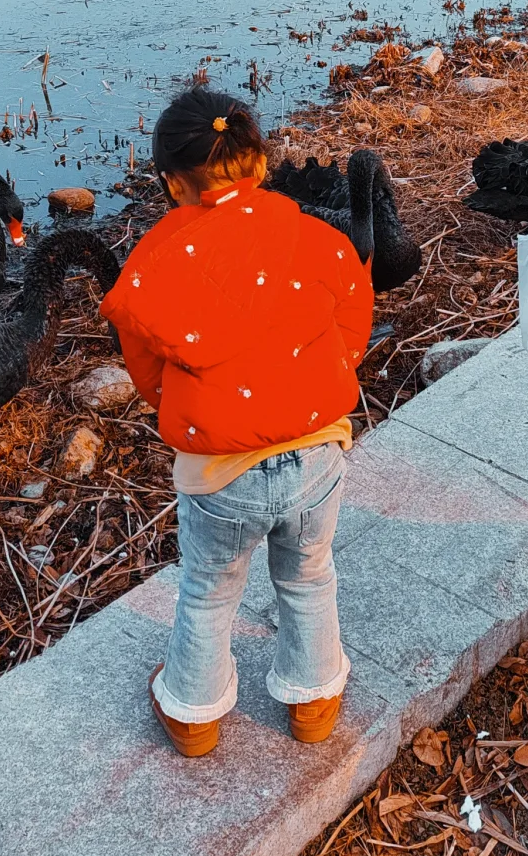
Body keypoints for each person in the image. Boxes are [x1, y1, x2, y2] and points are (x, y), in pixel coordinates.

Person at [100, 88, 372, 755]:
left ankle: (193, 715)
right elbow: (352, 329)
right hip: (315, 456)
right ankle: (314, 702)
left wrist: (194, 408)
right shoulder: (319, 240)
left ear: (170, 181)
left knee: (207, 589)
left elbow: (148, 372)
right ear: (260, 162)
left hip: (219, 469)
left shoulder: (155, 265)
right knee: (309, 576)